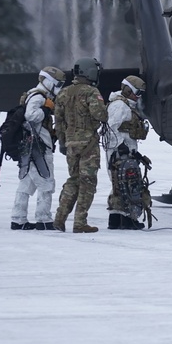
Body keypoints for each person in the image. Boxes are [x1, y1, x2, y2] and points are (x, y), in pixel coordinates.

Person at [53, 57, 108, 234]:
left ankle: (60, 218)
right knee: (88, 182)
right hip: (88, 145)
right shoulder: (91, 92)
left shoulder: (63, 93)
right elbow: (100, 115)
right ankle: (80, 222)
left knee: (73, 180)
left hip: (70, 144)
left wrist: (62, 142)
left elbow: (59, 121)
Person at [12, 66, 66, 230]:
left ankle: (18, 219)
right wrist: (46, 108)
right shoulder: (39, 97)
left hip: (32, 146)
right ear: (49, 82)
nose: (59, 88)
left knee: (27, 183)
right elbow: (31, 116)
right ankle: (44, 219)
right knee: (46, 182)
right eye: (58, 84)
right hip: (38, 148)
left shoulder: (34, 94)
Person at [103, 75, 153, 230]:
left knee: (119, 185)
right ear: (127, 89)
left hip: (123, 151)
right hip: (119, 152)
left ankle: (116, 219)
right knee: (128, 184)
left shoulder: (124, 105)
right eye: (136, 92)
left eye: (140, 94)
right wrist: (120, 148)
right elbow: (111, 128)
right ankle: (128, 219)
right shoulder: (120, 106)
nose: (138, 97)